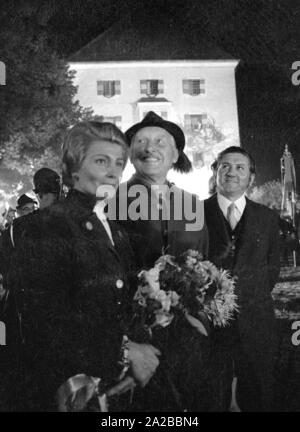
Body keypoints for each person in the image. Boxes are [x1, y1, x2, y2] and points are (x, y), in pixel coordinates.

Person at [4, 121, 160, 411]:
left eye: (118, 163)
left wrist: (129, 367)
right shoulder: (45, 226)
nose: (113, 171)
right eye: (101, 161)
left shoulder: (117, 230)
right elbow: (43, 322)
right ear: (73, 169)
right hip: (67, 393)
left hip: (114, 393)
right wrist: (124, 353)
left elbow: (121, 307)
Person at [115, 112, 213, 411]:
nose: (150, 147)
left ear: (175, 155)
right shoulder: (115, 201)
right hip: (139, 337)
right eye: (141, 141)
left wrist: (199, 315)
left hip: (188, 333)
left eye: (160, 142)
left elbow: (204, 263)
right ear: (131, 154)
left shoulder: (191, 202)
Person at [204, 146, 280, 411]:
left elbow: (272, 269)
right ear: (215, 171)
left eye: (240, 167)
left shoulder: (268, 218)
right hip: (208, 326)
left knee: (259, 396)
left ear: (251, 177)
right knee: (211, 398)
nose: (232, 172)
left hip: (257, 323)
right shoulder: (193, 214)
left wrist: (247, 295)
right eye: (225, 166)